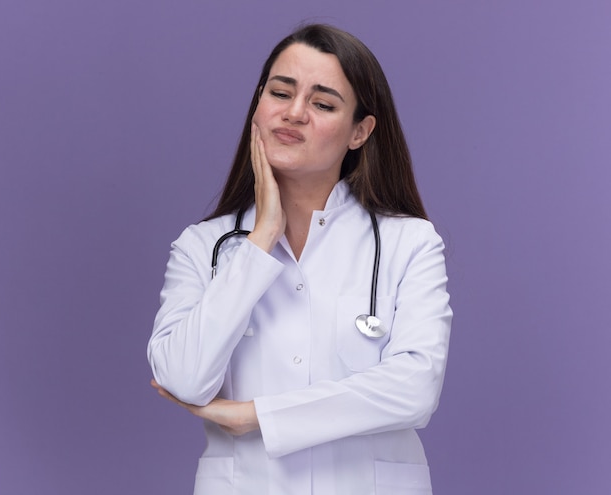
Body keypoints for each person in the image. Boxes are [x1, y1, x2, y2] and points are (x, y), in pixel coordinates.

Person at [148, 23, 452, 495]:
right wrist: (261, 239)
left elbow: (414, 390)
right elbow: (183, 379)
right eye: (280, 92)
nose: (293, 113)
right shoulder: (202, 246)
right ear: (258, 106)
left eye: (323, 103)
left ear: (360, 132)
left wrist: (258, 417)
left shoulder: (409, 243)